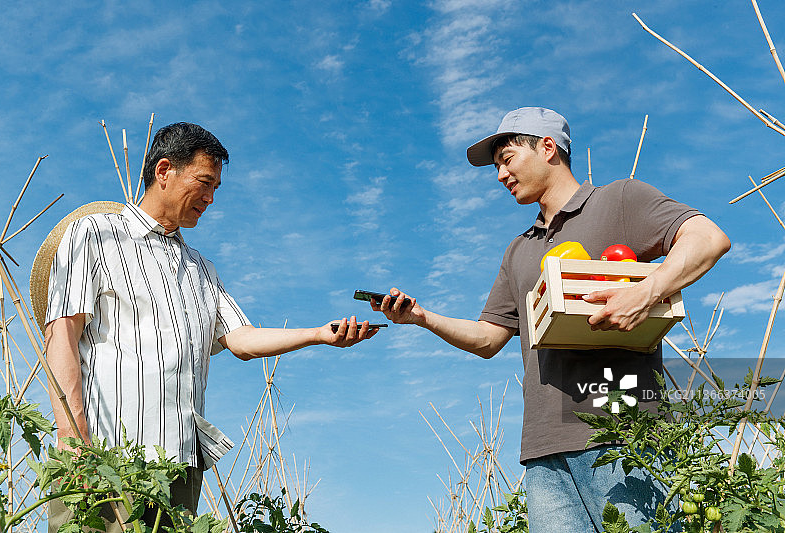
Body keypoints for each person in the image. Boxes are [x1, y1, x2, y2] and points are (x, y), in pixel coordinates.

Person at [372, 107, 730, 531]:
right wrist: (422, 318)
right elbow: (488, 338)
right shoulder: (519, 250)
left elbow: (708, 237)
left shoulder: (618, 200)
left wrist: (644, 293)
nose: (500, 175)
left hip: (624, 436)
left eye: (506, 159)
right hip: (544, 450)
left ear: (547, 148)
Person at [43, 122, 379, 532]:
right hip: (108, 458)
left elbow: (242, 339)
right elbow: (62, 332)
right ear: (163, 171)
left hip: (179, 466)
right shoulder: (96, 233)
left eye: (216, 188)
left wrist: (318, 335)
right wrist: (73, 435)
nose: (211, 198)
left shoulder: (201, 268)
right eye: (204, 182)